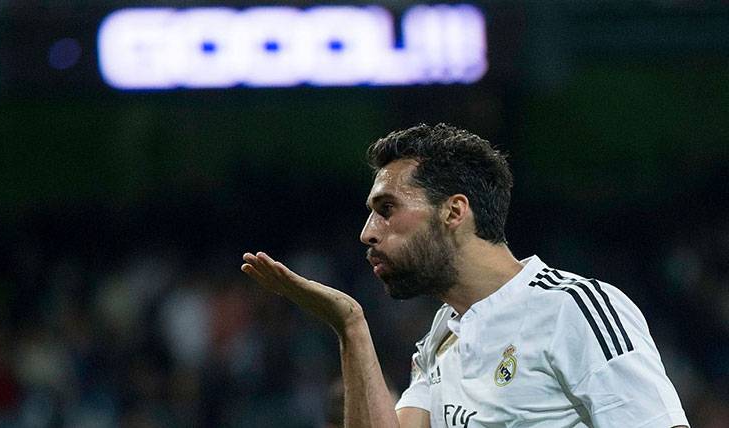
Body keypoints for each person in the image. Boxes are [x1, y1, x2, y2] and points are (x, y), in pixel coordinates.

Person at [241, 123, 689, 427]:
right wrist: (350, 326)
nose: (368, 233)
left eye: (387, 208)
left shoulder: (573, 309)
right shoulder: (441, 337)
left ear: (454, 211)